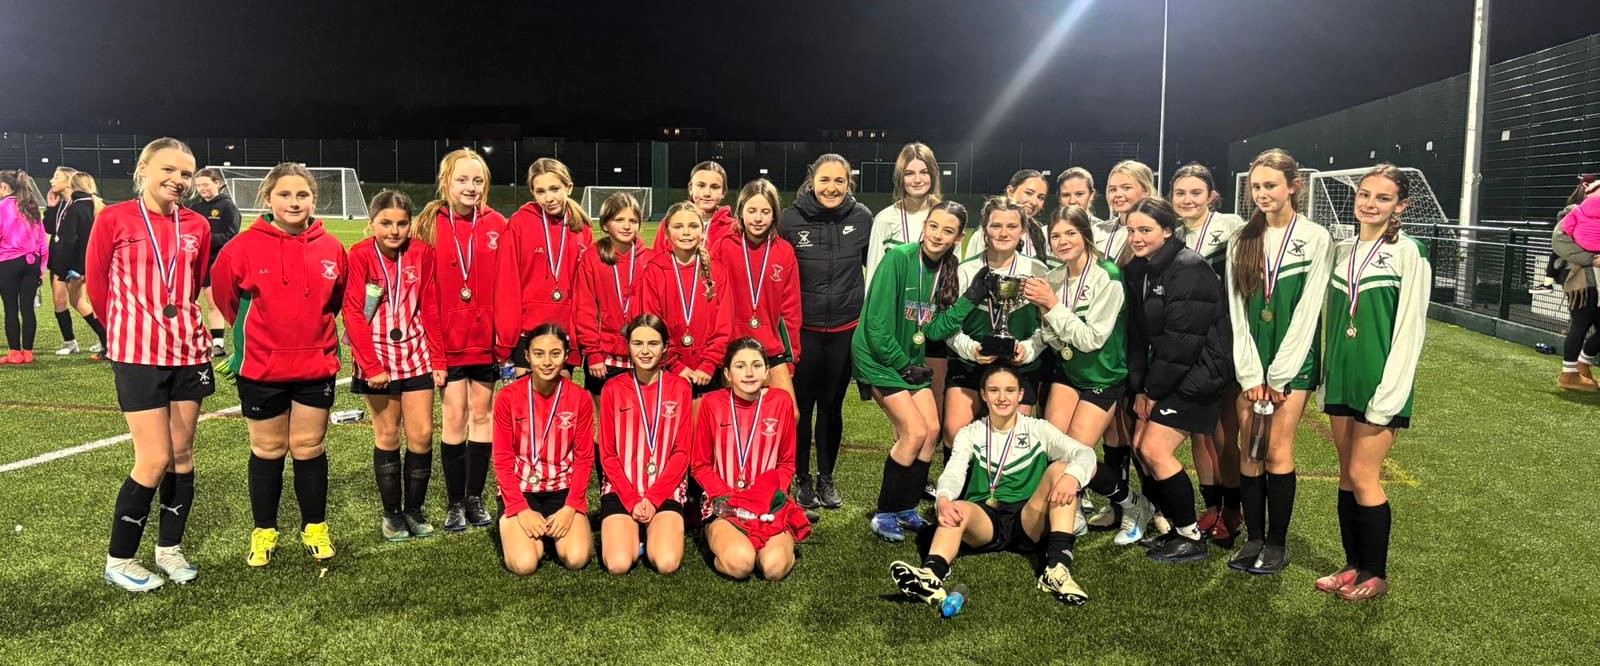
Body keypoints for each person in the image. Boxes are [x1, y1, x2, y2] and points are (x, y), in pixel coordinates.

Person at [85, 138, 214, 591]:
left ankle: (169, 550)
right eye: (169, 169)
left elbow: (195, 284)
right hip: (138, 355)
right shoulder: (114, 218)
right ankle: (119, 559)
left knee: (182, 454)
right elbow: (97, 288)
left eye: (186, 173)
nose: (178, 180)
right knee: (154, 457)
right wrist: (128, 332)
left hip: (189, 351)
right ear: (143, 168)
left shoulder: (197, 224)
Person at [212, 162, 348, 567]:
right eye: (285, 194)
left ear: (313, 199)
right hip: (261, 368)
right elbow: (226, 300)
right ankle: (265, 530)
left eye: (302, 194)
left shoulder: (331, 247)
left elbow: (335, 301)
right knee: (268, 449)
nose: (294, 202)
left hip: (315, 366)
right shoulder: (241, 247)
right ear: (267, 198)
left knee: (309, 447)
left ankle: (315, 527)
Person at [888, 364, 1097, 606]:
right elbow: (954, 470)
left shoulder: (1038, 429)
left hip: (1028, 518)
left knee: (1062, 469)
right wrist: (943, 498)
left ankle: (1056, 568)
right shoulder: (970, 433)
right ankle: (930, 576)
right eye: (994, 390)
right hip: (985, 519)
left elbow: (1085, 454)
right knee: (957, 508)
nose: (1002, 397)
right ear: (983, 394)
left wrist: (1072, 477)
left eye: (1010, 390)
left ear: (1020, 395)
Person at [1318, 164, 1430, 601]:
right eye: (1365, 194)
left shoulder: (1409, 252)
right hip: (1342, 381)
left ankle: (1376, 572)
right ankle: (1352, 564)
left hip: (1381, 384)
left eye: (1382, 198)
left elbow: (1410, 329)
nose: (1370, 203)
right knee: (1346, 475)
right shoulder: (1343, 250)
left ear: (1399, 206)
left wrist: (1391, 393)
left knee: (1365, 475)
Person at [1225, 148, 1332, 575]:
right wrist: (1251, 372)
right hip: (1250, 361)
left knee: (1276, 448)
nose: (1262, 193)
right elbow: (1236, 310)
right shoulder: (1242, 238)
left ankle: (1277, 542)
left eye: (1271, 185)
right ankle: (1253, 538)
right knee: (1249, 449)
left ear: (1294, 186)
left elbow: (1309, 310)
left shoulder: (1316, 237)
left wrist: (1281, 373)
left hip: (1294, 363)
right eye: (1256, 186)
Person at [1024, 204, 1155, 546]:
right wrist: (1035, 338)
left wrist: (1052, 306)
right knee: (1056, 447)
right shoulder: (1053, 278)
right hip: (1068, 371)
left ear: (1085, 235)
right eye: (1055, 235)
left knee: (1080, 455)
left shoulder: (1107, 276)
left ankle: (1134, 503)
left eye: (1070, 233)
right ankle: (1074, 509)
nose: (1062, 241)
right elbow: (1052, 335)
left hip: (1103, 375)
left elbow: (1091, 339)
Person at [1122, 197, 1233, 563]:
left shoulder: (1189, 268)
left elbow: (1182, 346)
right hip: (1172, 373)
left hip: (1200, 374)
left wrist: (1153, 392)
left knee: (1155, 449)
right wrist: (1140, 389)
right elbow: (1139, 338)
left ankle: (1191, 536)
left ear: (1168, 230)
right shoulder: (1142, 269)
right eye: (1132, 229)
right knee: (1140, 445)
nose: (1136, 237)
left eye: (1145, 230)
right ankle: (1173, 526)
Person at [854, 200, 974, 541]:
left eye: (947, 230)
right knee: (913, 432)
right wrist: (902, 364)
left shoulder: (948, 269)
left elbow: (933, 331)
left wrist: (969, 299)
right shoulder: (899, 258)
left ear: (958, 237)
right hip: (879, 358)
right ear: (925, 226)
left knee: (932, 431)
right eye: (933, 226)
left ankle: (907, 508)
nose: (938, 235)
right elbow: (876, 325)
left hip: (908, 360)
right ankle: (885, 513)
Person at [414, 149, 514, 532]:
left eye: (477, 181)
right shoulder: (429, 223)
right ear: (445, 182)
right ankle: (454, 503)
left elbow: (505, 284)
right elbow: (424, 292)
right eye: (462, 180)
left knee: (482, 416)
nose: (470, 187)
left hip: (485, 342)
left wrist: (502, 342)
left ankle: (475, 498)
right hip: (448, 342)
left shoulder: (497, 223)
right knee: (454, 416)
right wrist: (436, 353)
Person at [342, 190, 446, 541]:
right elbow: (354, 313)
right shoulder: (358, 255)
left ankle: (414, 510)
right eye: (385, 223)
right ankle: (391, 515)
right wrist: (370, 366)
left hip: (416, 357)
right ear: (371, 223)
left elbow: (430, 307)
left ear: (411, 225)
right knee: (387, 434)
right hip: (377, 360)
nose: (394, 231)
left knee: (422, 435)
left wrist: (439, 358)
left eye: (402, 224)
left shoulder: (421, 253)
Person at [778, 154, 874, 508]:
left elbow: (874, 269)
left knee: (832, 407)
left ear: (849, 183)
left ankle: (826, 478)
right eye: (825, 180)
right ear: (812, 180)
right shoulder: (789, 220)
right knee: (801, 406)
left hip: (844, 330)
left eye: (840, 181)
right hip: (803, 330)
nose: (832, 188)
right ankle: (801, 480)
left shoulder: (862, 218)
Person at [938, 197, 1049, 466]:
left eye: (1012, 226)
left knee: (1010, 435)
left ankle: (1003, 500)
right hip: (971, 363)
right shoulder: (966, 271)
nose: (1003, 233)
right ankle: (957, 496)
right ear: (984, 228)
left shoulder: (1037, 271)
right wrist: (972, 351)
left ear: (1023, 230)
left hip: (1019, 366)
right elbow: (950, 328)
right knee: (955, 431)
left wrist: (1029, 350)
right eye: (996, 225)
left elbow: (1047, 326)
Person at [1171, 163, 1249, 545]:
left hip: (1224, 342)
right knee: (1200, 434)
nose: (1187, 199)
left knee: (1224, 434)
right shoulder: (1173, 234)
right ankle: (1212, 506)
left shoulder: (1232, 226)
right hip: (1188, 347)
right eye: (1180, 193)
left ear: (1211, 196)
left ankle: (1233, 509)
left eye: (1195, 193)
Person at [712, 180, 806, 493]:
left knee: (789, 413)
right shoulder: (724, 246)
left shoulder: (783, 251)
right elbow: (712, 296)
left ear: (774, 215)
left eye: (765, 211)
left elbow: (792, 308)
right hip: (734, 348)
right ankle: (733, 485)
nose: (758, 217)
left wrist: (792, 359)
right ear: (741, 212)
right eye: (751, 210)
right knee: (734, 420)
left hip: (772, 349)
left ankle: (778, 484)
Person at [692, 337, 810, 581]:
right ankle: (716, 533)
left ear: (767, 371)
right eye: (740, 366)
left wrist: (768, 497)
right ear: (727, 373)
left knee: (774, 568)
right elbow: (700, 465)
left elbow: (787, 463)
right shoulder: (712, 403)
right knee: (740, 564)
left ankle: (773, 539)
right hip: (726, 504)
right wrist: (728, 498)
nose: (749, 373)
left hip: (767, 505)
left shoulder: (781, 402)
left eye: (756, 365)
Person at [492, 324, 595, 575]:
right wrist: (521, 509)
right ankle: (534, 536)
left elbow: (584, 458)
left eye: (555, 353)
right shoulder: (508, 397)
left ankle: (553, 532)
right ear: (526, 356)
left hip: (563, 490)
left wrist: (571, 507)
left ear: (567, 355)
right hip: (522, 490)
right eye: (539, 354)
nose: (547, 362)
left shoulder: (580, 398)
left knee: (577, 558)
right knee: (525, 563)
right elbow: (503, 460)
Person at [597, 315, 693, 575]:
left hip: (664, 489)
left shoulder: (680, 388)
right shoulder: (612, 389)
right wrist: (630, 498)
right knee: (618, 564)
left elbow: (682, 452)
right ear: (627, 346)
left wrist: (652, 498)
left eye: (653, 343)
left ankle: (651, 533)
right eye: (638, 343)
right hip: (621, 488)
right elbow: (607, 453)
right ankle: (631, 536)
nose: (645, 351)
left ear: (665, 347)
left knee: (666, 562)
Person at [503, 157, 592, 374]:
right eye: (540, 191)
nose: (548, 198)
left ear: (568, 188)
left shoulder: (582, 229)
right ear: (533, 192)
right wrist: (507, 335)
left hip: (564, 332)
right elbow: (507, 281)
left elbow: (585, 289)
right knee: (526, 405)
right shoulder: (519, 223)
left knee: (560, 405)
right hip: (527, 331)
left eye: (555, 189)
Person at [639, 201, 732, 403]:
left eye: (693, 226)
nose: (686, 232)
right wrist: (674, 364)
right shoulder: (655, 270)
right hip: (668, 368)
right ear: (666, 233)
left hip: (709, 371)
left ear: (702, 230)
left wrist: (709, 364)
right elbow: (652, 325)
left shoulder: (717, 271)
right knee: (672, 431)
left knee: (706, 431)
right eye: (678, 226)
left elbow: (724, 325)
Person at [574, 192, 654, 401]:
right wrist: (593, 353)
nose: (627, 226)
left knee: (639, 421)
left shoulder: (651, 259)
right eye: (619, 220)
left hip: (643, 355)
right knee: (606, 424)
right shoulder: (592, 257)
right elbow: (585, 308)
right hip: (604, 358)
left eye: (633, 221)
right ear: (606, 224)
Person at [50, 170, 108, 358]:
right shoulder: (73, 204)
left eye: (57, 177)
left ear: (70, 183)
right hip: (74, 263)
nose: (52, 180)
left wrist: (71, 267)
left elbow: (72, 240)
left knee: (77, 302)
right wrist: (51, 209)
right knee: (69, 302)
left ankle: (106, 339)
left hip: (71, 264)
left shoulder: (77, 206)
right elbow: (51, 229)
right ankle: (88, 341)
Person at [866, 142, 942, 285]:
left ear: (933, 175)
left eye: (924, 172)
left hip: (933, 305)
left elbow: (954, 274)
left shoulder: (946, 218)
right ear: (900, 177)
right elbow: (873, 275)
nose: (917, 180)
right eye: (909, 173)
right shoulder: (884, 219)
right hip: (894, 303)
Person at [1551, 176, 1600, 390]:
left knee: (1586, 324)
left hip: (1593, 280)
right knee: (1581, 323)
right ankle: (1569, 373)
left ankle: (1583, 363)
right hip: (1582, 279)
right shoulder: (1573, 212)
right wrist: (1591, 258)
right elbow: (1558, 242)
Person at [188, 168, 240, 357]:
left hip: (215, 262)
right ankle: (189, 338)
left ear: (217, 183)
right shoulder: (194, 207)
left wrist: (205, 239)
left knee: (213, 303)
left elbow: (232, 236)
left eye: (205, 184)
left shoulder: (228, 207)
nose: (202, 189)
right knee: (186, 301)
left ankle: (218, 343)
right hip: (193, 260)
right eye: (199, 185)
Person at [0, 170, 48, 365]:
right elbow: (43, 241)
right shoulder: (31, 206)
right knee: (27, 309)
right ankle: (28, 352)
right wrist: (42, 269)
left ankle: (14, 353)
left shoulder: (2, 206)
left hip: (8, 262)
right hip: (32, 262)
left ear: (4, 187)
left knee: (10, 308)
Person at [961, 169, 1051, 261]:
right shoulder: (985, 233)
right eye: (1028, 193)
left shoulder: (1039, 234)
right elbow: (971, 270)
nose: (1034, 202)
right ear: (1010, 191)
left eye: (1041, 197)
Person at [655, 161, 735, 251]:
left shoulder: (733, 228)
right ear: (690, 189)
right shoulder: (670, 222)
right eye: (701, 186)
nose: (707, 193)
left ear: (723, 192)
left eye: (714, 187)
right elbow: (657, 259)